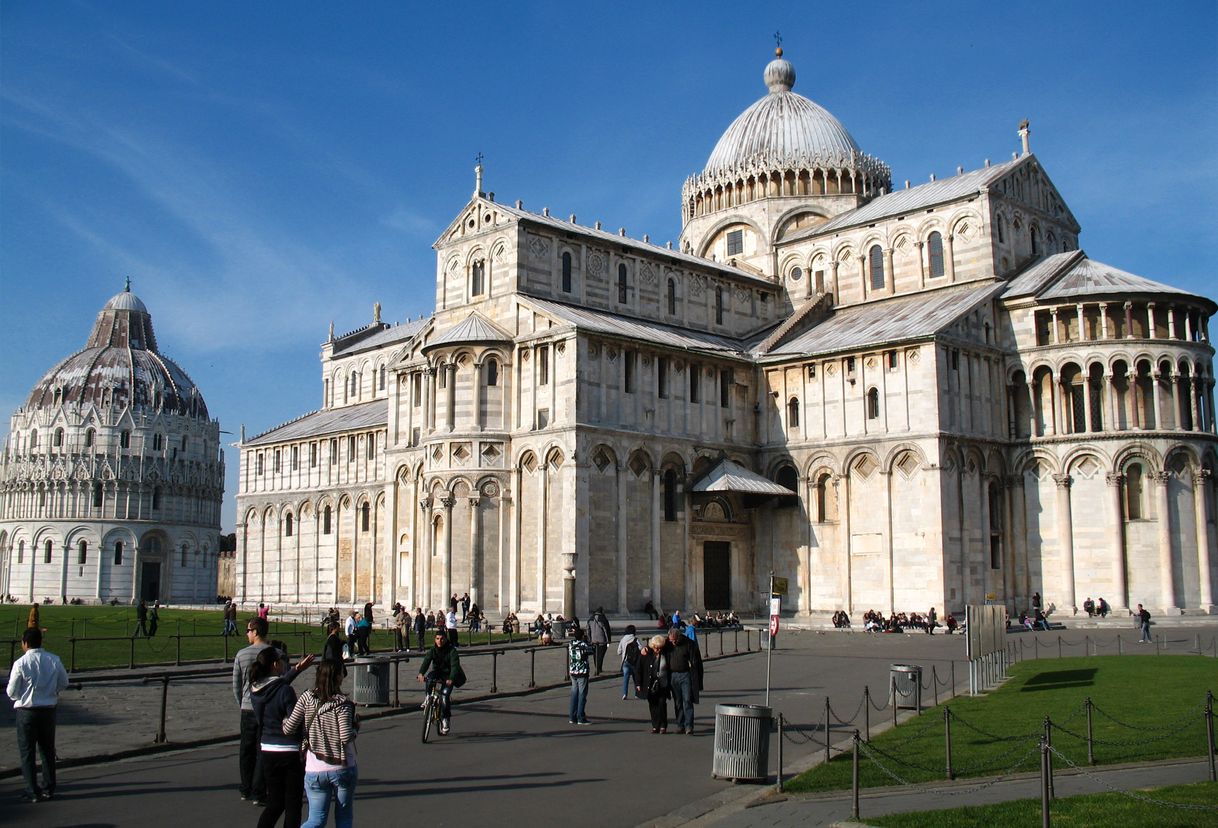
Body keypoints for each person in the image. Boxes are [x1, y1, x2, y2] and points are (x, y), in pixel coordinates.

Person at [283, 660, 358, 828]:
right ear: (338, 678)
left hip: (314, 767)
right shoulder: (342, 703)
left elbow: (289, 728)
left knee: (316, 819)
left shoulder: (306, 698)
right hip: (341, 765)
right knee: (344, 817)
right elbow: (346, 737)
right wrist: (355, 729)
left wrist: (284, 720)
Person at [251, 646, 316, 828]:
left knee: (275, 802)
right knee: (293, 804)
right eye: (281, 662)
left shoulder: (255, 690)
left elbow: (275, 685)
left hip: (267, 748)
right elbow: (293, 721)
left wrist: (297, 670)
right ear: (275, 664)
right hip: (288, 749)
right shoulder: (285, 691)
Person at [7, 627, 69, 803]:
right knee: (47, 751)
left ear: (25, 643)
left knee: (27, 752)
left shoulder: (20, 663)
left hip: (27, 712)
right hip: (48, 710)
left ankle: (32, 790)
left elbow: (11, 691)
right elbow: (64, 682)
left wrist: (22, 696)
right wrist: (52, 693)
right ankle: (49, 788)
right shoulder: (54, 660)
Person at [234, 616, 273, 804]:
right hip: (267, 709)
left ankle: (245, 788)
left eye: (248, 630)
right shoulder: (276, 654)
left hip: (248, 709)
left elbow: (236, 685)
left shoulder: (241, 654)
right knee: (262, 750)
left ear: (255, 632)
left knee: (246, 750)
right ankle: (259, 792)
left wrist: (243, 702)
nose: (247, 634)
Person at [417, 630, 464, 735]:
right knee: (429, 678)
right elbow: (427, 661)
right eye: (437, 639)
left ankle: (445, 719)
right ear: (435, 639)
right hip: (438, 673)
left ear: (446, 639)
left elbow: (455, 666)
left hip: (449, 676)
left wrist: (451, 678)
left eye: (442, 639)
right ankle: (428, 697)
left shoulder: (452, 651)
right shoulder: (433, 650)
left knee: (444, 696)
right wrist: (421, 673)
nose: (439, 641)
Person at [665, 625, 703, 734]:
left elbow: (696, 662)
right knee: (677, 702)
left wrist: (697, 679)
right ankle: (680, 724)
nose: (672, 643)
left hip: (685, 675)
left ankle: (689, 726)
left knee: (687, 700)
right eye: (671, 640)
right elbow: (656, 644)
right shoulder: (668, 644)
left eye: (674, 640)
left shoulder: (688, 644)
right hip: (673, 675)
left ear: (678, 637)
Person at [636, 634, 670, 733]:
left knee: (662, 704)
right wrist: (638, 684)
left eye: (659, 648)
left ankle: (663, 725)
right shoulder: (646, 654)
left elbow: (669, 640)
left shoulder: (666, 652)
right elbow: (639, 669)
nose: (657, 650)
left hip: (662, 683)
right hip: (650, 684)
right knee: (653, 705)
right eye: (655, 647)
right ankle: (655, 725)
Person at [567, 628, 595, 725]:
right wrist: (587, 641)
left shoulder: (571, 644)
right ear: (582, 636)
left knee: (574, 693)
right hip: (582, 672)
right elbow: (592, 651)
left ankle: (572, 716)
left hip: (573, 671)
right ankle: (580, 717)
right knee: (582, 695)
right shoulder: (584, 645)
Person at [616, 624, 641, 700]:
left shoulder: (623, 639)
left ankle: (624, 694)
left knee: (626, 678)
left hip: (626, 661)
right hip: (634, 661)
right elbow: (640, 648)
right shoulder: (635, 639)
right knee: (635, 678)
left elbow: (618, 652)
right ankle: (637, 694)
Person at [588, 607, 611, 675]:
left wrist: (589, 639)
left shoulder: (590, 619)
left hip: (593, 640)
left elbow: (587, 629)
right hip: (602, 640)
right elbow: (606, 630)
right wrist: (608, 640)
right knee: (600, 655)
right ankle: (598, 668)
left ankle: (597, 667)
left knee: (595, 655)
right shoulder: (603, 619)